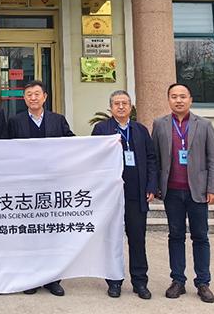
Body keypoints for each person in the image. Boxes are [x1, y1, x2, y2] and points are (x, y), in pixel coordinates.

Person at [152, 83, 214, 304]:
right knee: (175, 236)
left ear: (190, 99)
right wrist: (155, 186)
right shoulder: (160, 124)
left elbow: (213, 158)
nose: (178, 100)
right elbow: (155, 158)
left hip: (197, 191)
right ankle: (178, 280)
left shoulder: (204, 125)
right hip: (172, 191)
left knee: (200, 236)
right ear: (168, 100)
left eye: (183, 96)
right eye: (174, 96)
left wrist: (213, 188)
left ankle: (203, 282)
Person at [9, 79, 74, 297]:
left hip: (51, 185)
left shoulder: (58, 120)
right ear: (24, 98)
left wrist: (104, 144)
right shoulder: (15, 121)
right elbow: (5, 150)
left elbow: (73, 144)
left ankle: (53, 279)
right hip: (26, 186)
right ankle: (31, 278)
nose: (33, 98)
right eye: (29, 94)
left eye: (37, 94)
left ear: (45, 97)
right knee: (29, 234)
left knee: (51, 233)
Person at [92, 90, 157, 300]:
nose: (121, 107)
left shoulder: (140, 130)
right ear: (110, 107)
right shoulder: (102, 129)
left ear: (131, 107)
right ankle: (114, 281)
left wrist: (151, 185)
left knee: (137, 239)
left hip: (136, 194)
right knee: (112, 238)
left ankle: (140, 282)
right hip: (111, 195)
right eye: (116, 103)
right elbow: (93, 157)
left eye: (125, 103)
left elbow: (151, 159)